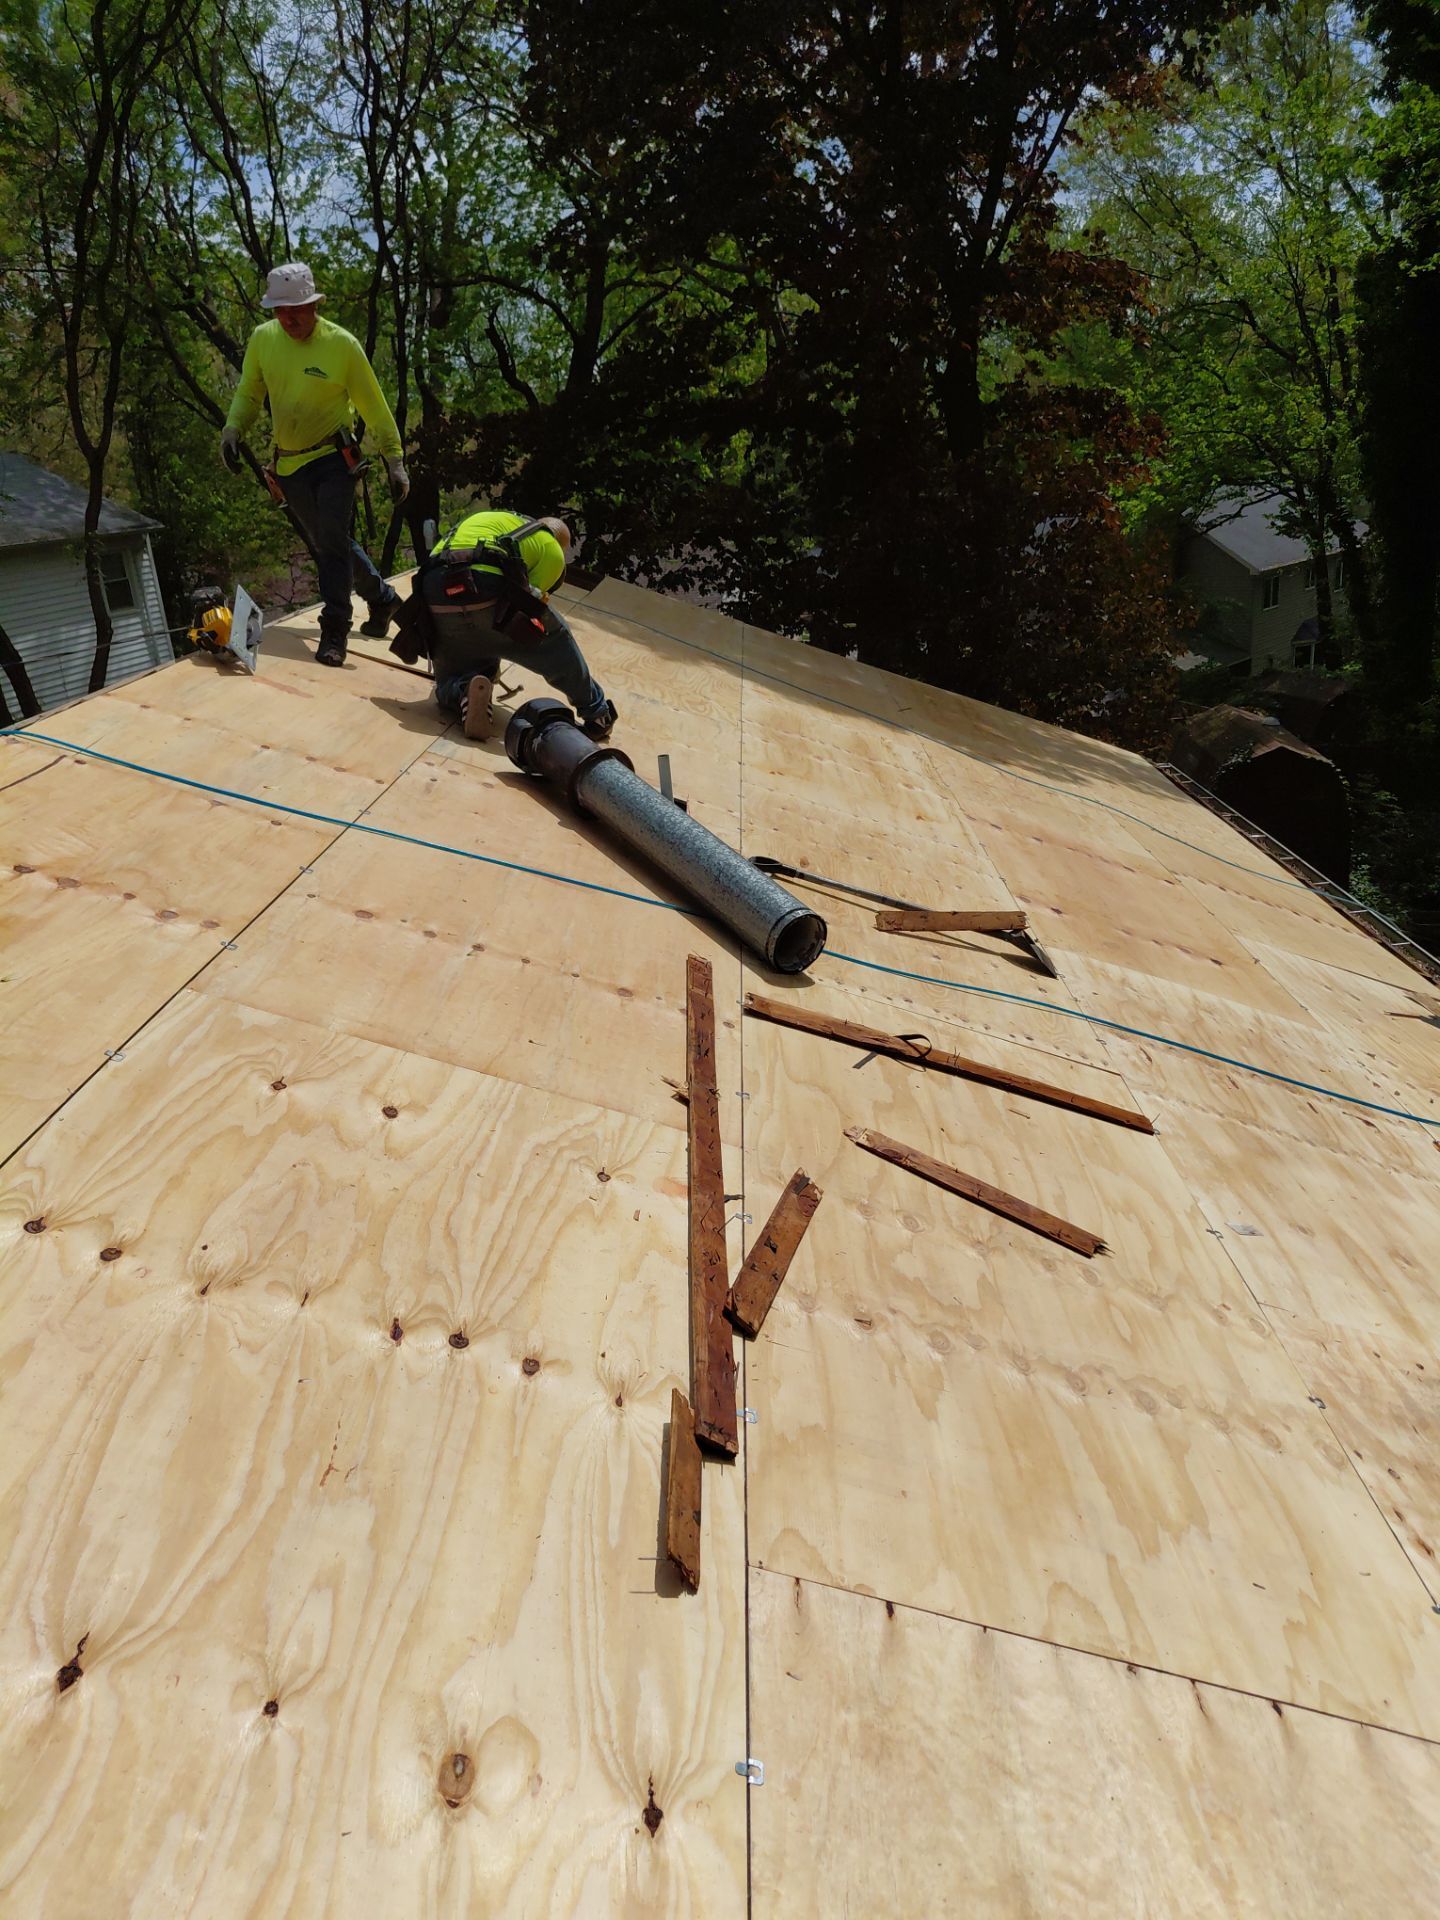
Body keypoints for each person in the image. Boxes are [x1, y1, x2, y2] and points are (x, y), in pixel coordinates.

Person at [220, 262, 409, 667]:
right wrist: (233, 429)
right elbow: (250, 392)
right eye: (280, 311)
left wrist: (394, 460)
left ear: (315, 304)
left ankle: (335, 630)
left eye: (297, 310)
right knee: (330, 540)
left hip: (332, 458)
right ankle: (384, 599)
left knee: (331, 545)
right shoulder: (263, 339)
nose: (289, 319)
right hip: (289, 465)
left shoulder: (341, 345)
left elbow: (373, 406)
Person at [415, 508, 618, 741]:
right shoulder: (551, 548)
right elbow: (528, 606)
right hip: (485, 584)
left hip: (433, 593)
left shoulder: (493, 520)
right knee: (554, 639)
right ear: (559, 542)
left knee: (447, 681)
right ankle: (597, 713)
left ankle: (463, 691)